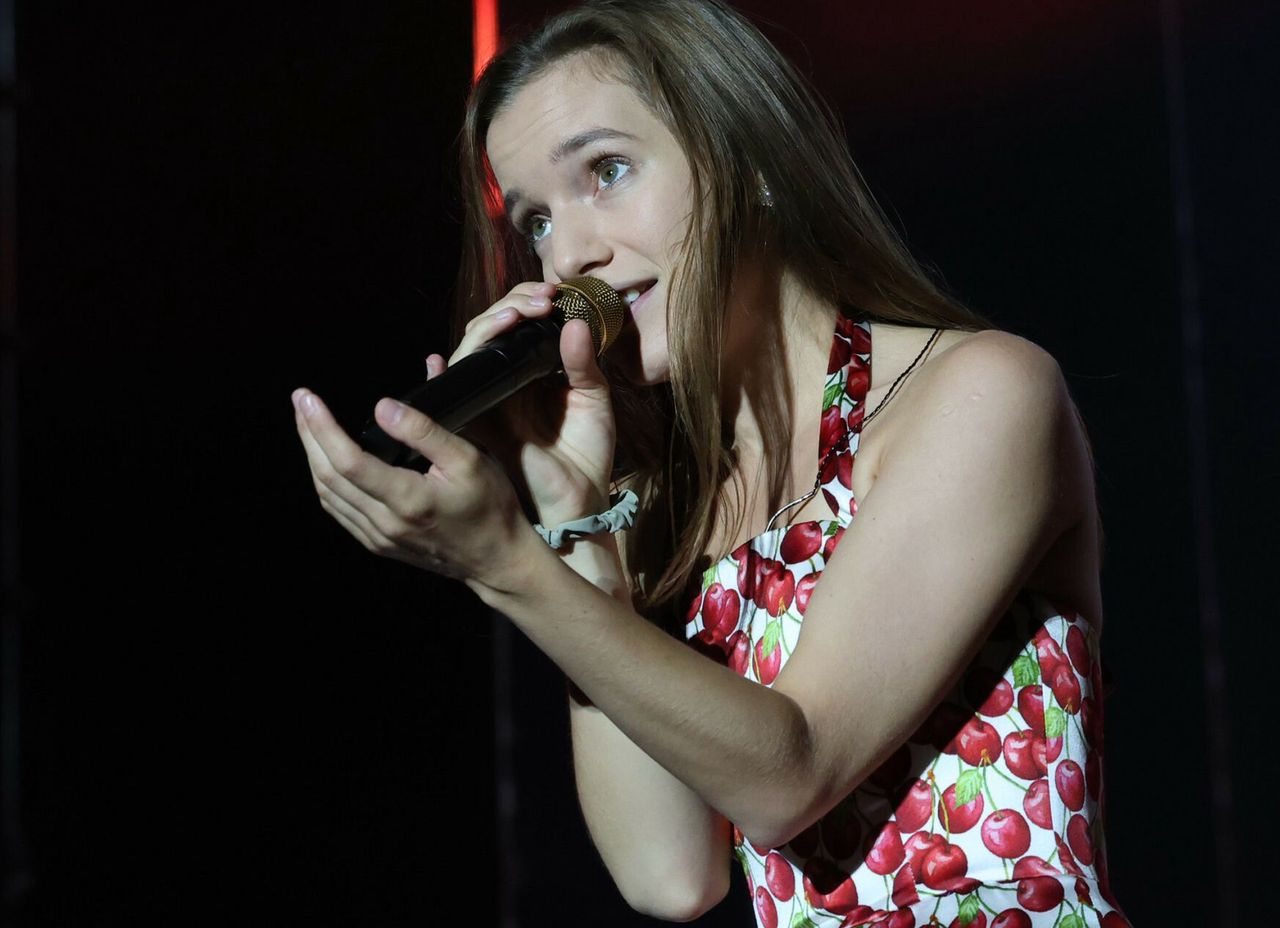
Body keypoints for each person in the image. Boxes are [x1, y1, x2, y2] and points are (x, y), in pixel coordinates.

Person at [291, 1, 1132, 926]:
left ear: (751, 162)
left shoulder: (979, 392)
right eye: (534, 221)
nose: (571, 255)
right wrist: (573, 528)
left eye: (606, 172)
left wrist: (506, 566)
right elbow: (672, 877)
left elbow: (792, 770)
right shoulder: (671, 505)